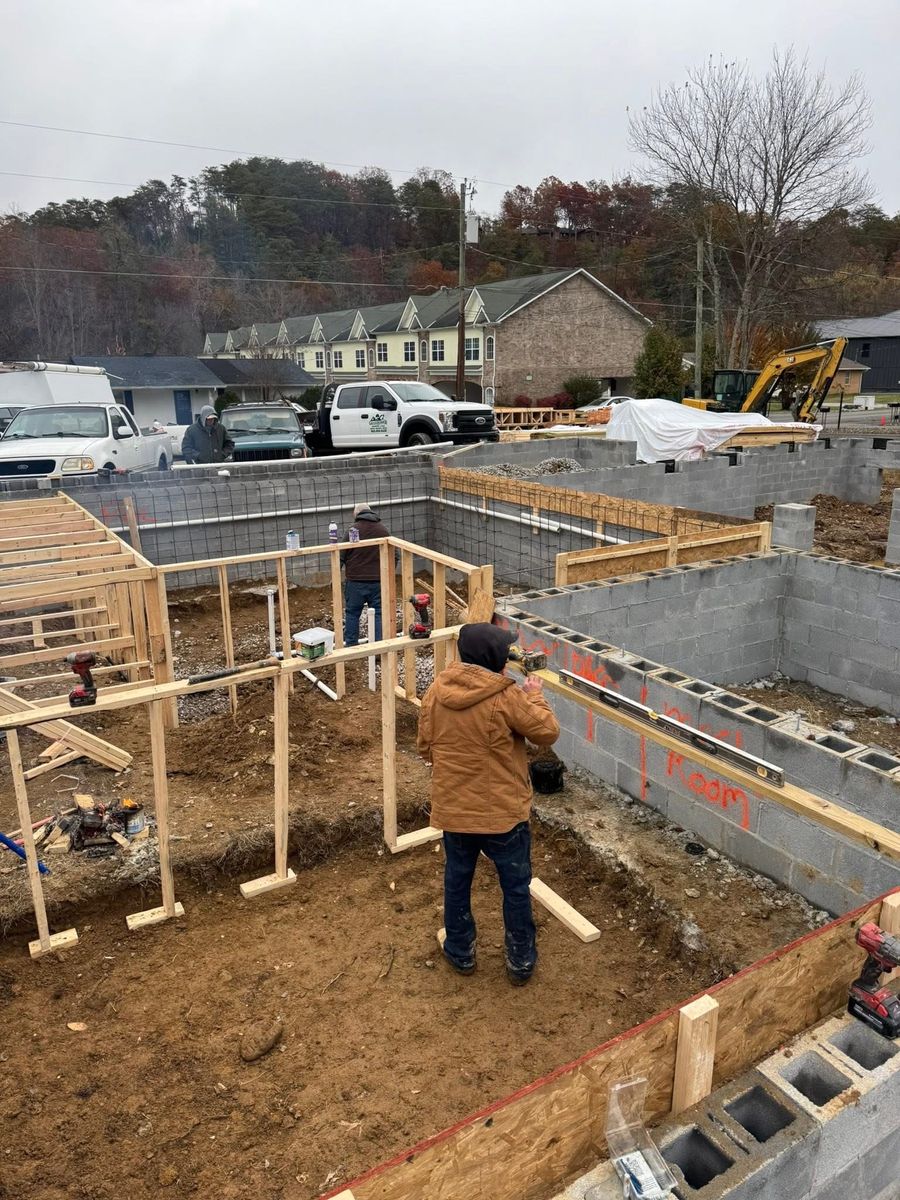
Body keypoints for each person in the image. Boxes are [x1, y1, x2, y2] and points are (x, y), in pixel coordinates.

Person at [417, 623, 560, 985]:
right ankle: (520, 960)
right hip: (502, 815)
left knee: (457, 879)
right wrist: (534, 696)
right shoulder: (506, 696)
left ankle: (460, 950)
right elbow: (547, 732)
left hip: (455, 810)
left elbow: (425, 747)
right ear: (495, 659)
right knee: (515, 886)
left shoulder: (437, 691)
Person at [340, 502, 389, 646]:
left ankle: (351, 647)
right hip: (378, 581)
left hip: (355, 581)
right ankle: (379, 647)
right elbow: (395, 555)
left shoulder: (353, 530)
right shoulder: (382, 530)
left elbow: (341, 555)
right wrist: (386, 574)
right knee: (379, 613)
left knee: (352, 613)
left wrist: (335, 577)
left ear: (356, 515)